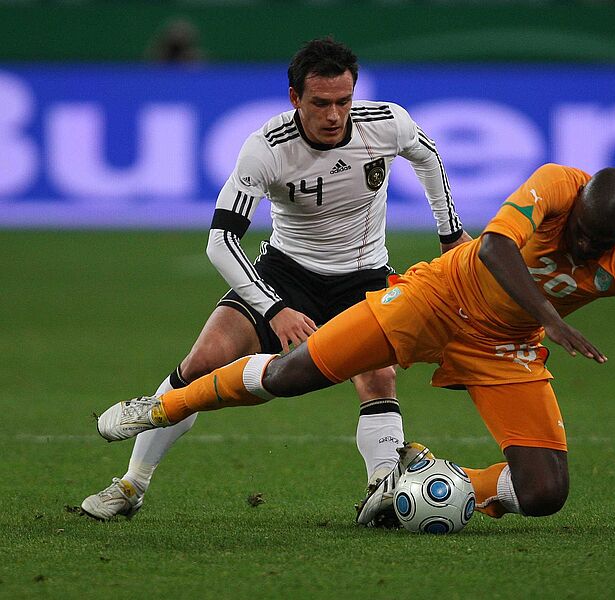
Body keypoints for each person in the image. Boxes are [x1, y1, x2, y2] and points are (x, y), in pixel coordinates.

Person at [95, 163, 615, 525]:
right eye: (579, 231)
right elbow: (494, 250)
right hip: (434, 297)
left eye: (596, 243)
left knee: (545, 493)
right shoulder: (555, 185)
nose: (581, 245)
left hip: (504, 345)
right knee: (292, 375)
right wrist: (554, 317)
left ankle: (427, 488)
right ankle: (163, 407)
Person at [81, 37, 470, 521]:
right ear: (294, 98)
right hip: (286, 275)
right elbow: (221, 241)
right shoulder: (267, 148)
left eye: (344, 101)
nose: (334, 115)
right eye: (320, 103)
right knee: (202, 364)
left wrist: (450, 232)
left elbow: (426, 154)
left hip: (365, 276)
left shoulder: (386, 123)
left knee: (379, 376)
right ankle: (130, 486)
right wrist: (275, 308)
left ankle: (382, 490)